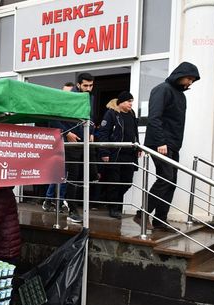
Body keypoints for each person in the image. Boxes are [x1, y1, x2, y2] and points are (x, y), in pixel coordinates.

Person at [137, 62, 201, 231]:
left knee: (171, 182)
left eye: (193, 80)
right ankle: (142, 214)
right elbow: (154, 117)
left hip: (172, 145)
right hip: (160, 143)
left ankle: (160, 220)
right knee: (165, 178)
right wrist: (160, 142)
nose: (190, 83)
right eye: (189, 78)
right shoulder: (162, 89)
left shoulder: (181, 95)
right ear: (180, 75)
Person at [58, 73, 96, 224]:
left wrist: (92, 132)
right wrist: (67, 133)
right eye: (85, 85)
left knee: (85, 176)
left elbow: (90, 117)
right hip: (72, 144)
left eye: (91, 86)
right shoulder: (68, 97)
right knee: (73, 177)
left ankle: (76, 207)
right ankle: (72, 210)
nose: (88, 89)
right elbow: (55, 117)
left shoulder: (89, 98)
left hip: (85, 143)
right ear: (78, 84)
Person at [98, 92, 141, 219]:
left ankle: (110, 201)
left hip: (129, 155)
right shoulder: (112, 114)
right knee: (114, 183)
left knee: (127, 182)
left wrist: (138, 146)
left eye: (131, 101)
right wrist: (104, 152)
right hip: (115, 154)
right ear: (121, 102)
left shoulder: (132, 114)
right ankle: (113, 208)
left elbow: (135, 133)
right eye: (128, 101)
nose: (131, 103)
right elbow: (103, 133)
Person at [42, 82, 75, 213]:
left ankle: (53, 201)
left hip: (70, 147)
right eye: (65, 92)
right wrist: (67, 133)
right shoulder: (57, 105)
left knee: (63, 175)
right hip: (57, 144)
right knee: (60, 174)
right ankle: (52, 200)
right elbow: (53, 122)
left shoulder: (73, 107)